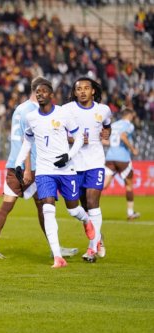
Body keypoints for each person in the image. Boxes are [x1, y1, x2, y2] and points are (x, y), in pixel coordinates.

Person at [0, 77, 78, 260]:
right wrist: (27, 168)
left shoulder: (21, 109)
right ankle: (54, 249)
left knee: (27, 206)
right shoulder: (32, 112)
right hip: (31, 167)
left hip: (17, 164)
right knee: (42, 207)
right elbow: (26, 141)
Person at [14, 79, 92, 268]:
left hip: (66, 170)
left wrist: (69, 155)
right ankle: (58, 256)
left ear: (51, 95)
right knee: (47, 209)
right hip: (44, 171)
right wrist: (18, 163)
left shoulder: (63, 113)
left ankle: (87, 220)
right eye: (37, 92)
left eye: (43, 91)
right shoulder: (31, 117)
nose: (39, 94)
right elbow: (27, 141)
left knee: (73, 209)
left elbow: (80, 137)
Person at [62, 77, 112, 262]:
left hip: (95, 162)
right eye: (79, 89)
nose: (82, 91)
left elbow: (107, 126)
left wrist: (107, 132)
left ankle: (91, 249)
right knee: (81, 207)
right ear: (74, 92)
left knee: (92, 202)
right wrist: (72, 140)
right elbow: (59, 132)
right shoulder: (67, 110)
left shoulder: (103, 110)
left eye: (86, 88)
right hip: (75, 164)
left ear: (93, 91)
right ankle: (98, 237)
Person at [103, 108, 140, 221]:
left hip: (110, 157)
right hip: (123, 158)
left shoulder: (114, 125)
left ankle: (87, 203)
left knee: (104, 185)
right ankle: (130, 213)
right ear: (129, 115)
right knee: (129, 185)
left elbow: (106, 140)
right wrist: (133, 149)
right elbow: (123, 136)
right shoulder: (129, 125)